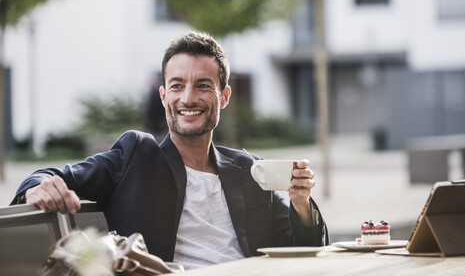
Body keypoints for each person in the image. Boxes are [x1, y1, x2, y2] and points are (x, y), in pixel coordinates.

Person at [11, 31, 328, 270]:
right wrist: (38, 186)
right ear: (163, 96)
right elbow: (46, 176)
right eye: (177, 85)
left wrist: (300, 202)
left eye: (203, 85)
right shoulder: (136, 154)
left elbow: (300, 254)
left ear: (225, 96)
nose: (188, 98)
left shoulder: (250, 169)